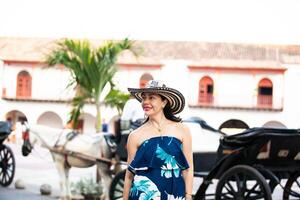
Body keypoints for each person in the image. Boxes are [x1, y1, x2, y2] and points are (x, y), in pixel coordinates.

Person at [123, 80, 194, 200]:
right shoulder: (135, 135)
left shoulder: (182, 130)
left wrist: (188, 196)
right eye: (144, 98)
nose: (145, 102)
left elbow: (188, 169)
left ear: (164, 102)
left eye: (152, 98)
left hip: (174, 194)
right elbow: (129, 175)